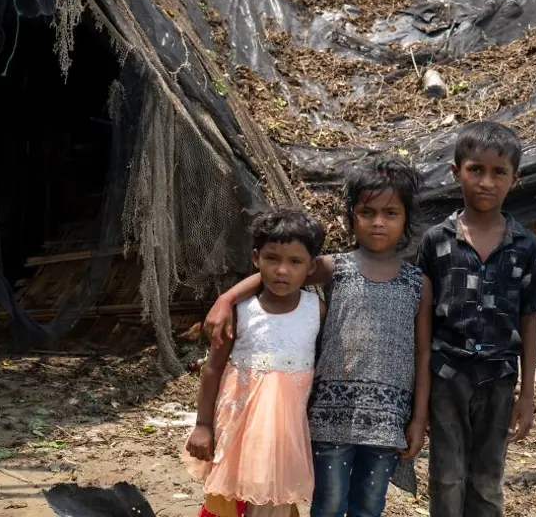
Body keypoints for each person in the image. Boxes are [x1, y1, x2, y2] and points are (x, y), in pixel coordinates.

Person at [203, 156, 433, 517]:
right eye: (367, 212)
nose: (377, 222)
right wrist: (227, 298)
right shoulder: (334, 267)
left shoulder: (418, 283)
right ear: (352, 216)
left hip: (389, 418)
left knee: (370, 505)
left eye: (391, 213)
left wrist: (419, 419)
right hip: (330, 415)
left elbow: (422, 354)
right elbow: (277, 274)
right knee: (327, 503)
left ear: (406, 219)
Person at [418, 121, 536, 517]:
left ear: (515, 178)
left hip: (498, 379)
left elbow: (530, 317)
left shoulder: (525, 245)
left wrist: (527, 394)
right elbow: (423, 319)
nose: (486, 182)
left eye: (499, 172)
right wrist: (421, 387)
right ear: (456, 170)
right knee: (446, 475)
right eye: (476, 169)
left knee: (488, 478)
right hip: (447, 375)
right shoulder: (436, 240)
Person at [184, 209, 327, 517]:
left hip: (286, 435)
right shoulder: (241, 312)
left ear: (311, 266)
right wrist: (203, 425)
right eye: (272, 258)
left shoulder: (317, 311)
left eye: (294, 262)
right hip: (237, 430)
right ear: (255, 259)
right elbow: (213, 368)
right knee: (229, 498)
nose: (282, 270)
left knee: (272, 498)